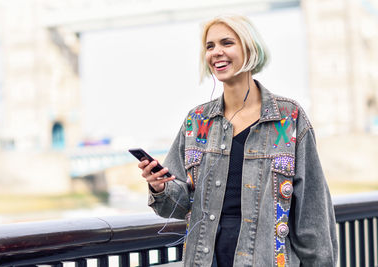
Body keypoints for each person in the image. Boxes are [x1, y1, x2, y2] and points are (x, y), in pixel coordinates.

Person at [138, 15, 338, 267]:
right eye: (210, 46)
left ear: (249, 48)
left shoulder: (288, 118)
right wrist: (159, 187)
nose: (216, 52)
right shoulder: (197, 120)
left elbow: (313, 214)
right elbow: (175, 207)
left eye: (226, 43)